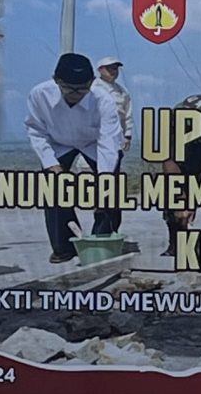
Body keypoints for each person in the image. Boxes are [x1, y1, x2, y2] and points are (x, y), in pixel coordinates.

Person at [25, 50, 127, 258]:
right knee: (52, 187)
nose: (76, 94)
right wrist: (50, 162)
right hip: (58, 143)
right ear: (56, 81)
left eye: (82, 90)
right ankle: (64, 247)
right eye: (69, 89)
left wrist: (104, 180)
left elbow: (108, 142)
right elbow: (36, 131)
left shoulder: (104, 100)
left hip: (93, 143)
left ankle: (102, 242)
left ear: (92, 82)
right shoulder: (39, 94)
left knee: (110, 189)